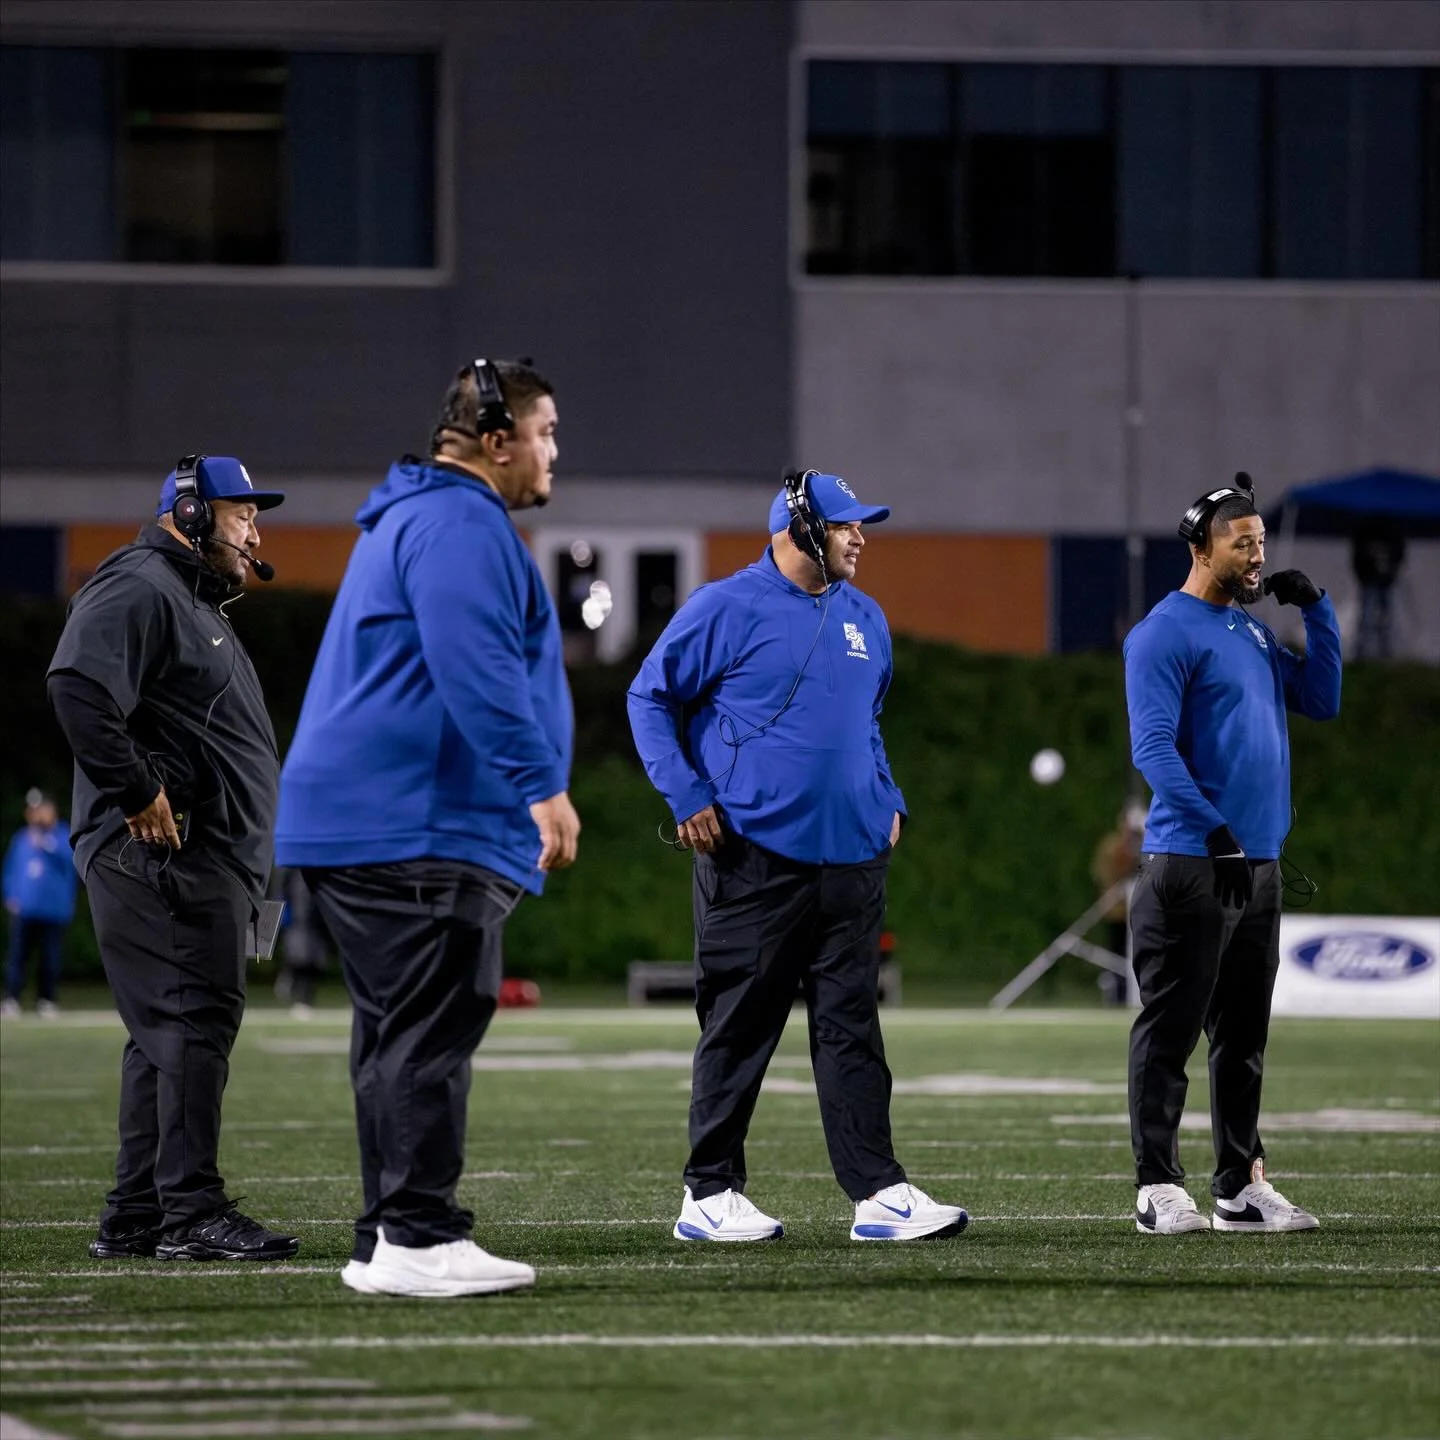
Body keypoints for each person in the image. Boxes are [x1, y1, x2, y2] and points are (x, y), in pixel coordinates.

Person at [276, 358, 579, 1298]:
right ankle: (416, 1233)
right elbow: (472, 660)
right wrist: (542, 785)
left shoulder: (419, 514)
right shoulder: (457, 520)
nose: (553, 453)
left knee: (397, 1031)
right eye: (545, 433)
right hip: (412, 821)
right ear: (497, 441)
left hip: (374, 820)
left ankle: (387, 1236)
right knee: (429, 1027)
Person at [627, 468, 968, 1244]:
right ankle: (709, 1194)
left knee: (852, 1029)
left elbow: (870, 722)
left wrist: (889, 798)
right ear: (802, 526)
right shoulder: (725, 605)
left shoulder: (867, 618)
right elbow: (650, 697)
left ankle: (878, 1193)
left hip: (851, 860)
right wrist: (685, 795)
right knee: (739, 1026)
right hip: (753, 857)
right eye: (847, 525)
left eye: (861, 525)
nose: (860, 538)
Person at [46, 454, 300, 1263]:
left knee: (166, 1032)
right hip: (160, 855)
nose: (254, 530)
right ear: (189, 513)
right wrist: (134, 790)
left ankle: (138, 1214)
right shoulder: (141, 585)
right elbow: (77, 686)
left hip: (201, 858)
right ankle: (190, 1212)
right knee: (190, 1021)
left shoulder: (187, 601)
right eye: (240, 514)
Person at [1124, 477, 1341, 1236]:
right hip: (1191, 862)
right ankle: (1157, 1185)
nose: (1255, 557)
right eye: (1240, 542)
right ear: (1199, 547)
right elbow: (1151, 745)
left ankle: (1239, 1188)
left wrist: (1316, 609)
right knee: (1170, 1033)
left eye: (1260, 542)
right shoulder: (1162, 632)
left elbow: (1321, 699)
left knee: (1243, 1039)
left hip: (1257, 868)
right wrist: (1214, 831)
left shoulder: (1251, 633)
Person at [2, 788, 78, 1018]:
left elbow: (71, 863)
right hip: (24, 908)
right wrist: (10, 896)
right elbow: (10, 871)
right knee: (17, 956)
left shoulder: (64, 835)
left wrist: (46, 844)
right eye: (33, 810)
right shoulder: (22, 838)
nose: (36, 815)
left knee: (50, 958)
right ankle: (11, 999)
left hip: (53, 910)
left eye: (41, 809)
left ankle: (46, 999)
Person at [1089, 799, 1146, 1007]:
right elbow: (1107, 873)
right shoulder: (1113, 845)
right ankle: (1117, 996)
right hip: (1118, 911)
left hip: (1141, 912)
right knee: (1117, 954)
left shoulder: (1148, 842)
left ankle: (1138, 993)